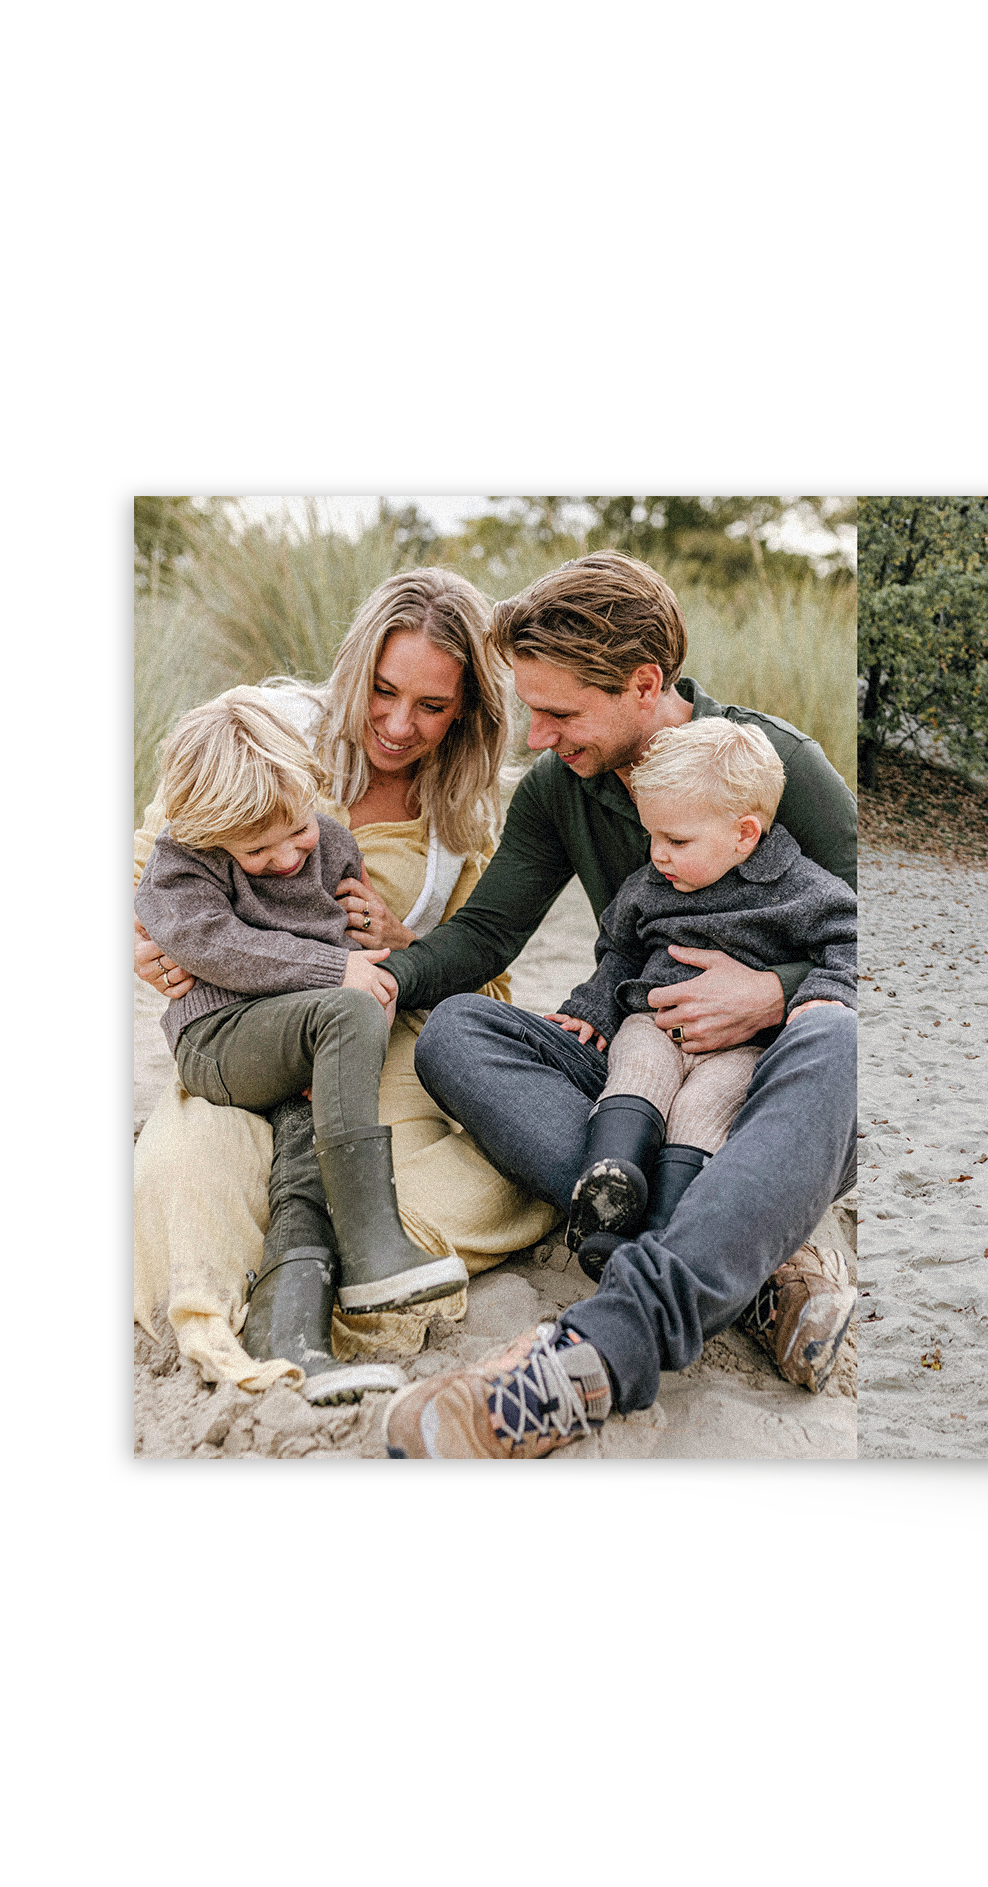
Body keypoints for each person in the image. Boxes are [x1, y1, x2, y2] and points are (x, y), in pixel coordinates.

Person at [376, 551, 859, 1461]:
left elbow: (871, 943)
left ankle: (603, 1347)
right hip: (642, 1061)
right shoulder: (562, 788)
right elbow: (488, 935)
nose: (536, 737)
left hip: (769, 1080)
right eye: (531, 710)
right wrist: (389, 977)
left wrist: (771, 994)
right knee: (458, 1032)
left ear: (645, 685)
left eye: (558, 713)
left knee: (838, 1035)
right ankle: (744, 1262)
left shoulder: (777, 766)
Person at [132, 568, 555, 1401]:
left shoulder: (463, 820)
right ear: (356, 665)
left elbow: (488, 986)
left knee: (510, 1168)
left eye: (432, 707)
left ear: (469, 708)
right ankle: (258, 1305)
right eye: (382, 691)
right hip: (240, 1039)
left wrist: (408, 948)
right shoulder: (260, 733)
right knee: (182, 1176)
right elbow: (153, 871)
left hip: (372, 1047)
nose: (399, 725)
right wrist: (142, 948)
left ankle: (326, 1288)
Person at [136, 693, 468, 1329]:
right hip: (220, 1038)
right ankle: (373, 1248)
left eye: (297, 831)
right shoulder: (183, 861)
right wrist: (336, 972)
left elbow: (335, 933)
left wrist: (366, 946)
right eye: (257, 853)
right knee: (352, 1008)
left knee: (305, 1149)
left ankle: (287, 1319)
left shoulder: (332, 844)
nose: (288, 858)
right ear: (209, 836)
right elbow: (213, 944)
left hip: (293, 1039)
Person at [548, 718, 857, 1316]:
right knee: (635, 1068)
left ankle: (669, 1224)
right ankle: (610, 1176)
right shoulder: (650, 885)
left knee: (706, 1104)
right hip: (654, 1024)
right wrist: (588, 1008)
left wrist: (821, 991)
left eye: (677, 841)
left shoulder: (800, 889)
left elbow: (848, 938)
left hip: (740, 1048)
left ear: (745, 834)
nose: (658, 855)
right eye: (651, 837)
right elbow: (619, 950)